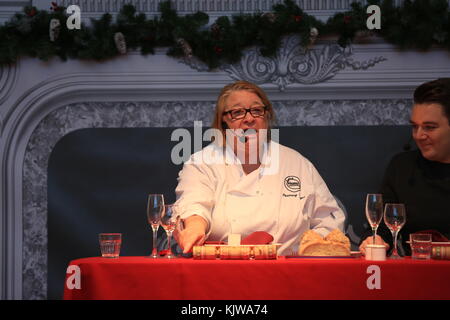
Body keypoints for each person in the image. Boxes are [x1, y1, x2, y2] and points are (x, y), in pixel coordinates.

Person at [173, 80, 345, 255]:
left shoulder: (296, 163)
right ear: (224, 120)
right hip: (222, 271)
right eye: (237, 112)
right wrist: (194, 227)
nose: (249, 119)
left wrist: (310, 249)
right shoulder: (202, 162)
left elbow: (329, 221)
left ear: (266, 116)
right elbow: (194, 203)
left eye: (256, 110)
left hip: (288, 271)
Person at [359, 78, 450, 255]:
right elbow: (381, 229)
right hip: (416, 275)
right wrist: (374, 239)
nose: (419, 135)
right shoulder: (402, 167)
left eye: (429, 127)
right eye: (415, 127)